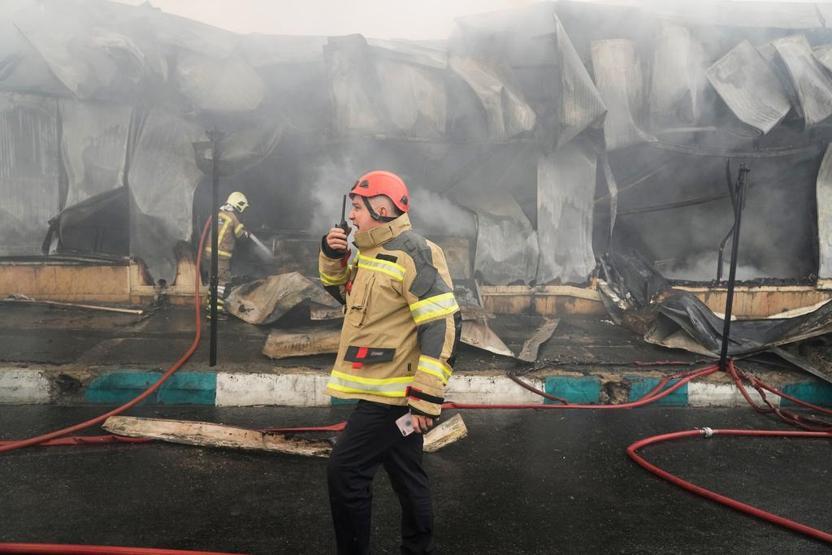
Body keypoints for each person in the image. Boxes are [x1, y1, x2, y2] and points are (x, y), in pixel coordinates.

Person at [320, 170, 461, 555]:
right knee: (406, 473)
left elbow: (441, 322)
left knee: (345, 472)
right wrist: (334, 257)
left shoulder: (414, 251)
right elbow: (347, 298)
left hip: (394, 393)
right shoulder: (367, 254)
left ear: (382, 208)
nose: (351, 216)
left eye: (358, 207)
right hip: (382, 387)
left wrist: (426, 396)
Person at [202, 191, 250, 313]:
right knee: (221, 283)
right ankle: (215, 311)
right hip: (221, 255)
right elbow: (241, 237)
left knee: (213, 281)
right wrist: (246, 234)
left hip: (209, 254)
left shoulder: (217, 214)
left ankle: (210, 308)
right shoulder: (232, 217)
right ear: (238, 204)